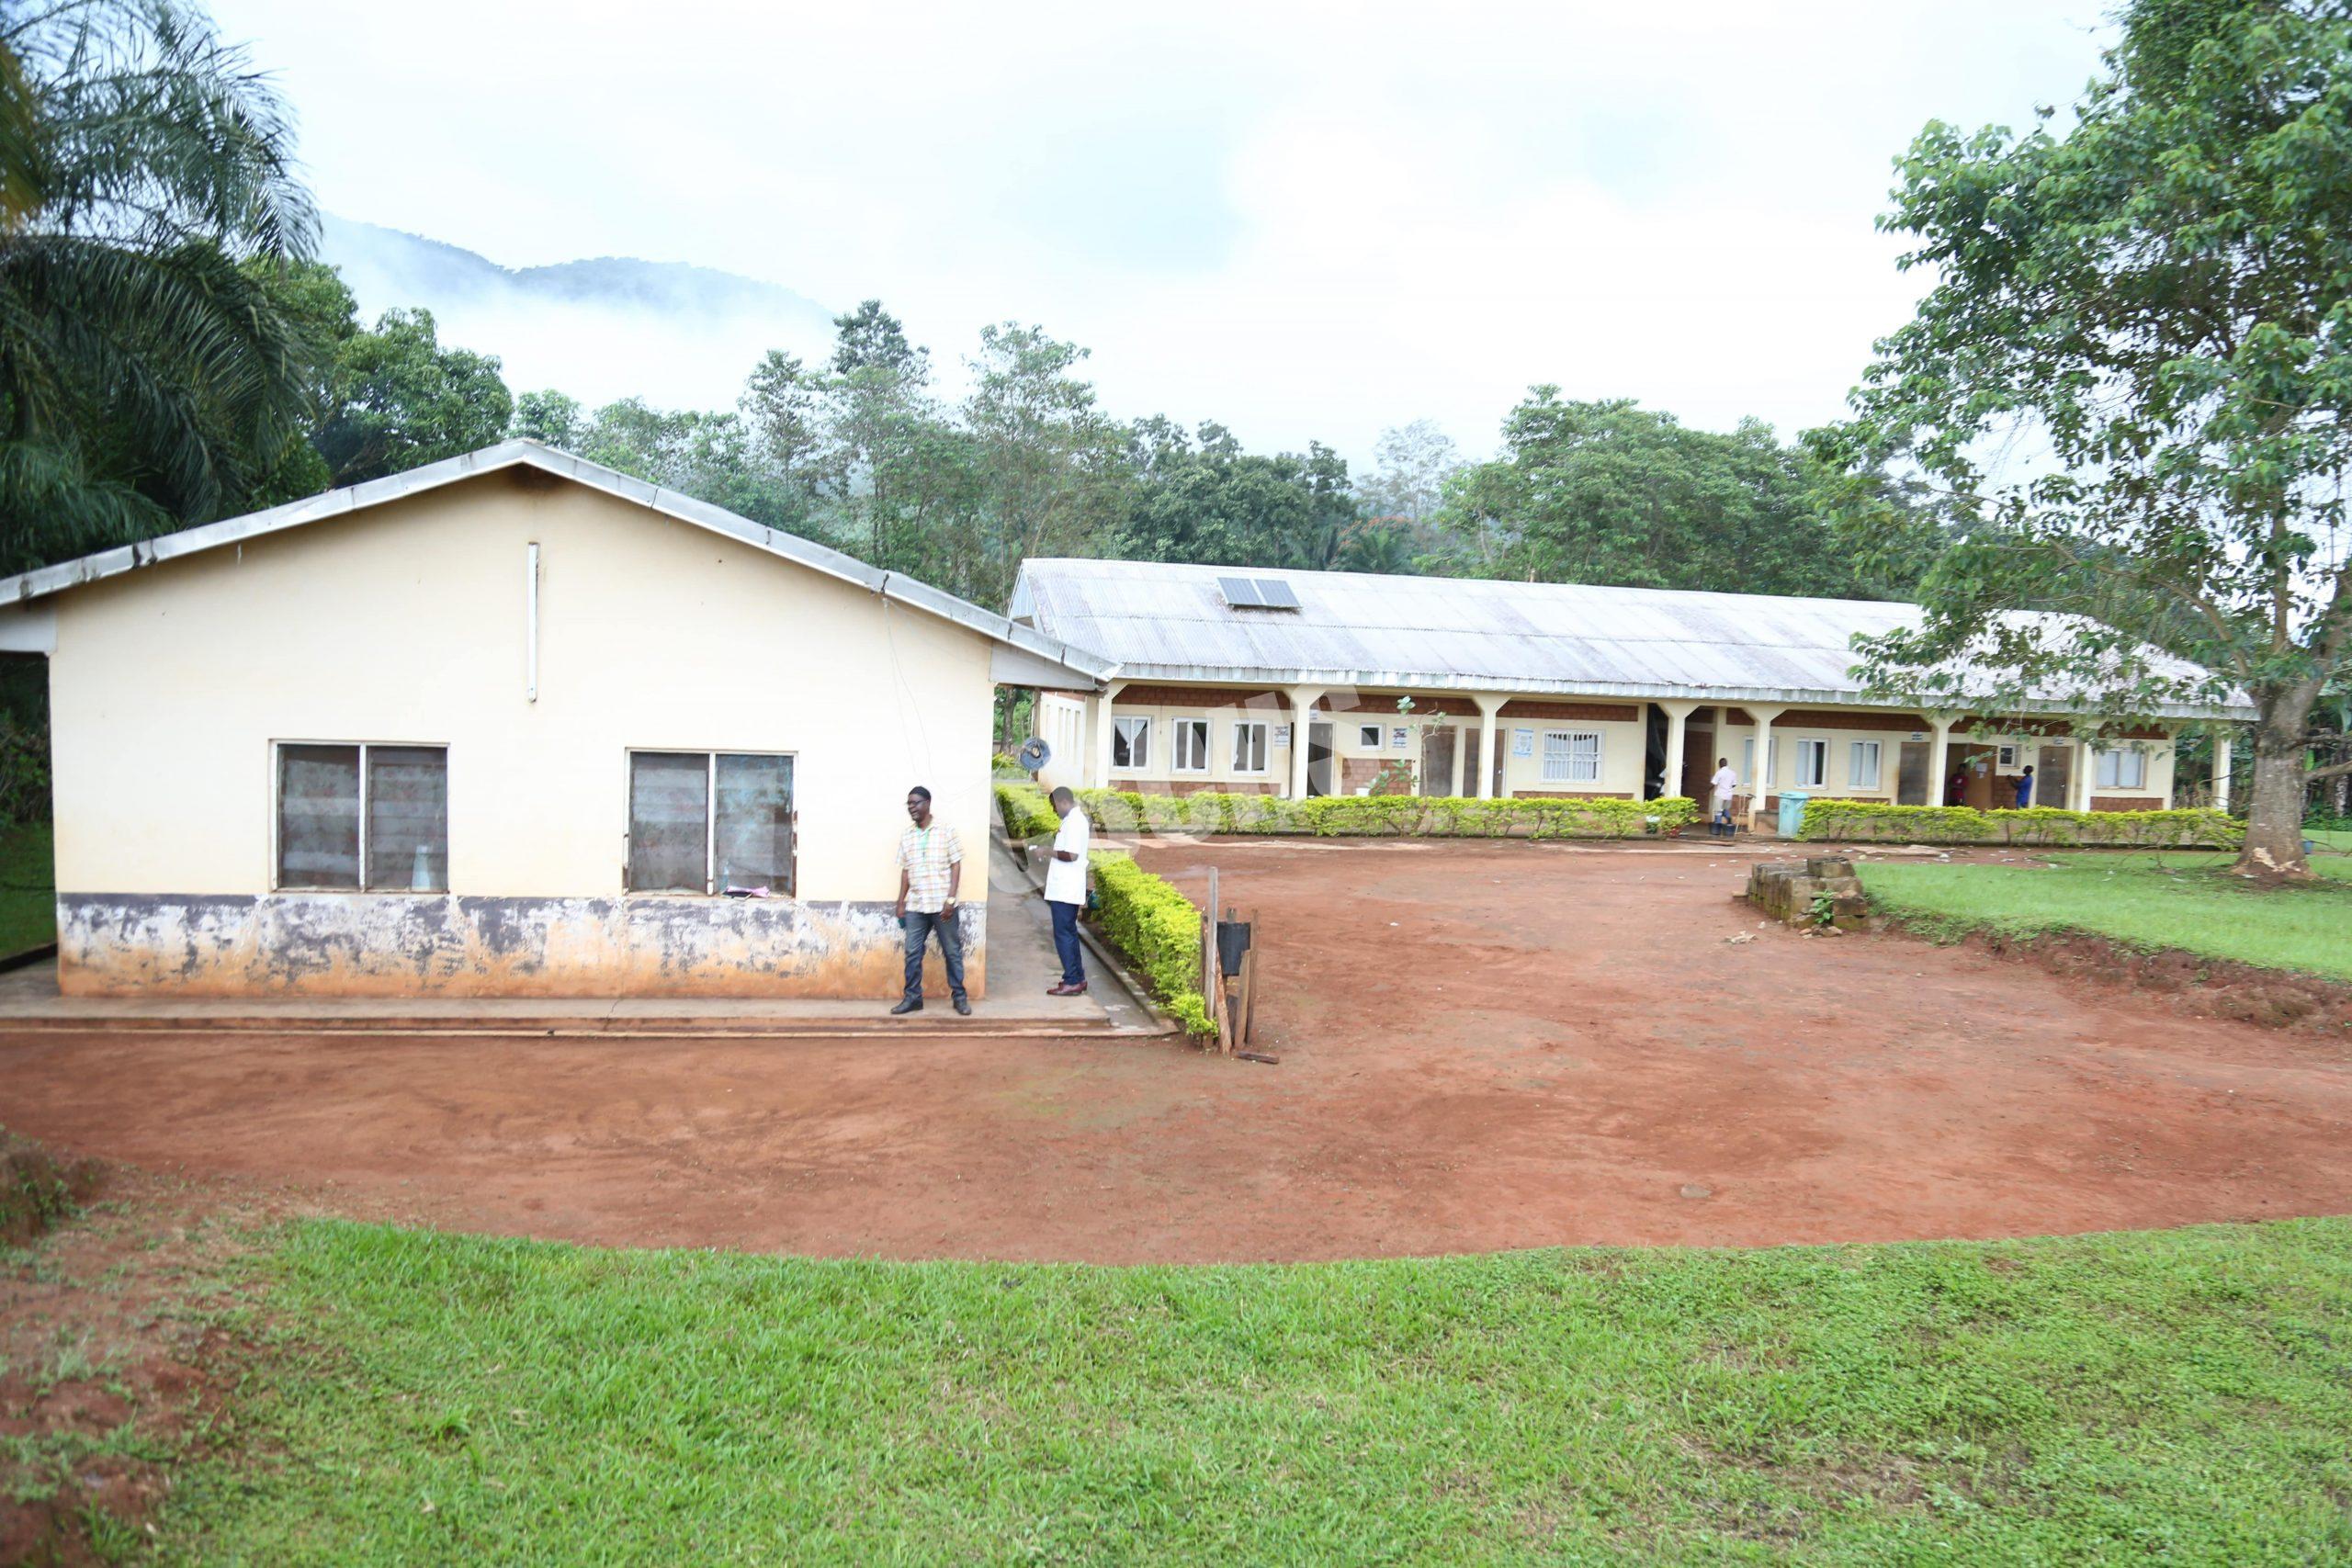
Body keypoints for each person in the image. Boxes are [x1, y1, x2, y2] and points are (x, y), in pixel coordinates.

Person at [891, 785, 969, 1016]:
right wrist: (900, 902)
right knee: (912, 952)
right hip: (916, 904)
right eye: (909, 804)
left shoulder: (946, 831)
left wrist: (951, 899)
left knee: (952, 951)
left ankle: (960, 997)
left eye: (915, 803)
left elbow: (956, 864)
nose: (911, 808)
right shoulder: (907, 835)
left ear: (927, 803)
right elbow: (906, 871)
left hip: (942, 905)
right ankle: (913, 998)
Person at [1044, 785, 1091, 996]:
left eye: (1055, 806)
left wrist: (1047, 851)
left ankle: (1072, 980)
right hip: (1066, 887)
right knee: (1069, 933)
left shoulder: (1074, 822)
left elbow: (1071, 855)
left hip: (1066, 888)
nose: (1055, 810)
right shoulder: (1072, 820)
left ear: (1063, 801)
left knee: (1064, 934)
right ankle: (1077, 977)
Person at [1709, 755, 1738, 837]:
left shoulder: (1719, 773)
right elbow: (1734, 785)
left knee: (1718, 811)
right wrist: (1727, 788)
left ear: (1720, 764)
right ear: (1726, 764)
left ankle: (1717, 831)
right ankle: (1729, 821)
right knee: (1725, 810)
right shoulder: (1733, 773)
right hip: (1728, 796)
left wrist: (1706, 791)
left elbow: (1713, 784)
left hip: (1720, 795)